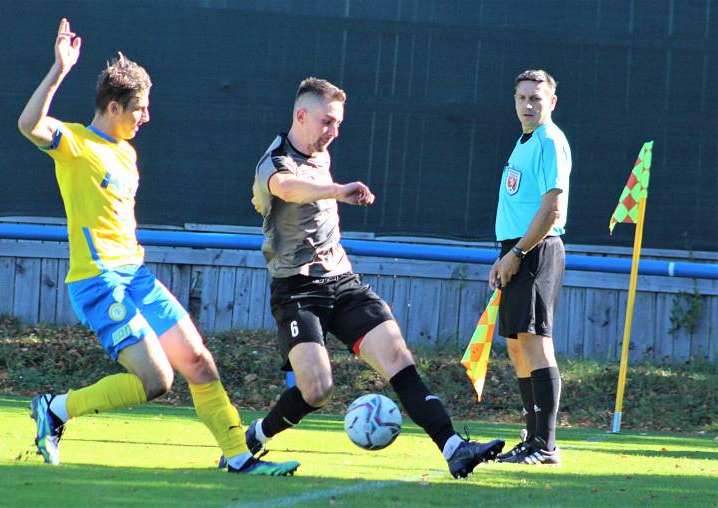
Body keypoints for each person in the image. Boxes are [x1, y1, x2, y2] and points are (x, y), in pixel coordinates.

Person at [16, 18, 298, 476]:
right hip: (99, 283)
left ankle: (239, 457)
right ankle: (55, 409)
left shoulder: (127, 150)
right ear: (112, 106)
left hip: (137, 277)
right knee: (156, 380)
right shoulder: (76, 144)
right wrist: (59, 70)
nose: (145, 116)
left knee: (199, 363)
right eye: (139, 108)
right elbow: (29, 124)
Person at [244, 77, 504, 479]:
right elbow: (288, 188)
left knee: (398, 357)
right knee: (317, 389)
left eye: (339, 124)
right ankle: (257, 436)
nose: (333, 132)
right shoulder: (275, 161)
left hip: (343, 282)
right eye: (327, 122)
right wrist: (338, 190)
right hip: (296, 290)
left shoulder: (319, 153)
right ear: (301, 115)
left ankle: (454, 447)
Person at [489, 69, 570, 465]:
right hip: (516, 249)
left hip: (536, 250)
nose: (528, 104)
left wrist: (518, 253)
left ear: (551, 102)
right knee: (517, 344)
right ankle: (532, 437)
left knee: (536, 342)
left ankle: (547, 444)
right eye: (522, 97)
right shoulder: (524, 142)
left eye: (536, 98)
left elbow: (551, 210)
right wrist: (504, 253)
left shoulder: (550, 141)